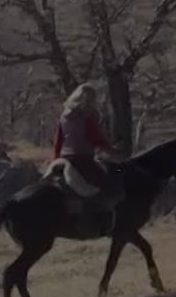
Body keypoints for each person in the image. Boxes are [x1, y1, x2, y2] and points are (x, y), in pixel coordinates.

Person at [52, 83, 124, 218]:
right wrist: (112, 151)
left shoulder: (63, 115)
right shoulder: (87, 117)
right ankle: (95, 217)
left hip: (64, 157)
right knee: (108, 186)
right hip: (82, 158)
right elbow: (95, 139)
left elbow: (58, 140)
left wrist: (55, 157)